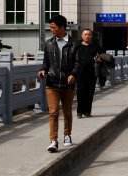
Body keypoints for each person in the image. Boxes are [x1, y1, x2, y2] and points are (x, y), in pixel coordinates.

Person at [37, 15, 79, 153]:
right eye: (50, 27)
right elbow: (46, 62)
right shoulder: (49, 43)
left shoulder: (74, 44)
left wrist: (73, 74)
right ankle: (53, 141)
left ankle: (67, 134)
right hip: (52, 83)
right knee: (53, 112)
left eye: (53, 27)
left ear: (62, 27)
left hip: (68, 83)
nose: (51, 29)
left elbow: (78, 62)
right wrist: (42, 70)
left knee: (67, 111)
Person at [75, 29, 98, 118]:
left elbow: (101, 55)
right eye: (85, 34)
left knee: (90, 93)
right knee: (80, 92)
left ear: (91, 36)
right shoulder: (77, 46)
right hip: (80, 73)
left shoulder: (95, 46)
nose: (87, 36)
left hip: (92, 73)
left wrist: (99, 59)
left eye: (89, 34)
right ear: (82, 36)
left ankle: (87, 111)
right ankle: (79, 112)